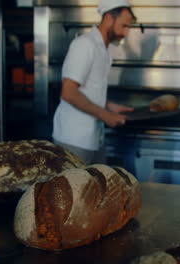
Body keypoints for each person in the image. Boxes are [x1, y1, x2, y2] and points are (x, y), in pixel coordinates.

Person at [52, 0, 136, 165]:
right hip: (74, 139)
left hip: (94, 138)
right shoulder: (84, 45)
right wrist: (106, 115)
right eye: (124, 26)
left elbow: (90, 91)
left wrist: (111, 107)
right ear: (109, 18)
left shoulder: (103, 49)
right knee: (75, 190)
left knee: (97, 187)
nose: (126, 33)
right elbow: (69, 92)